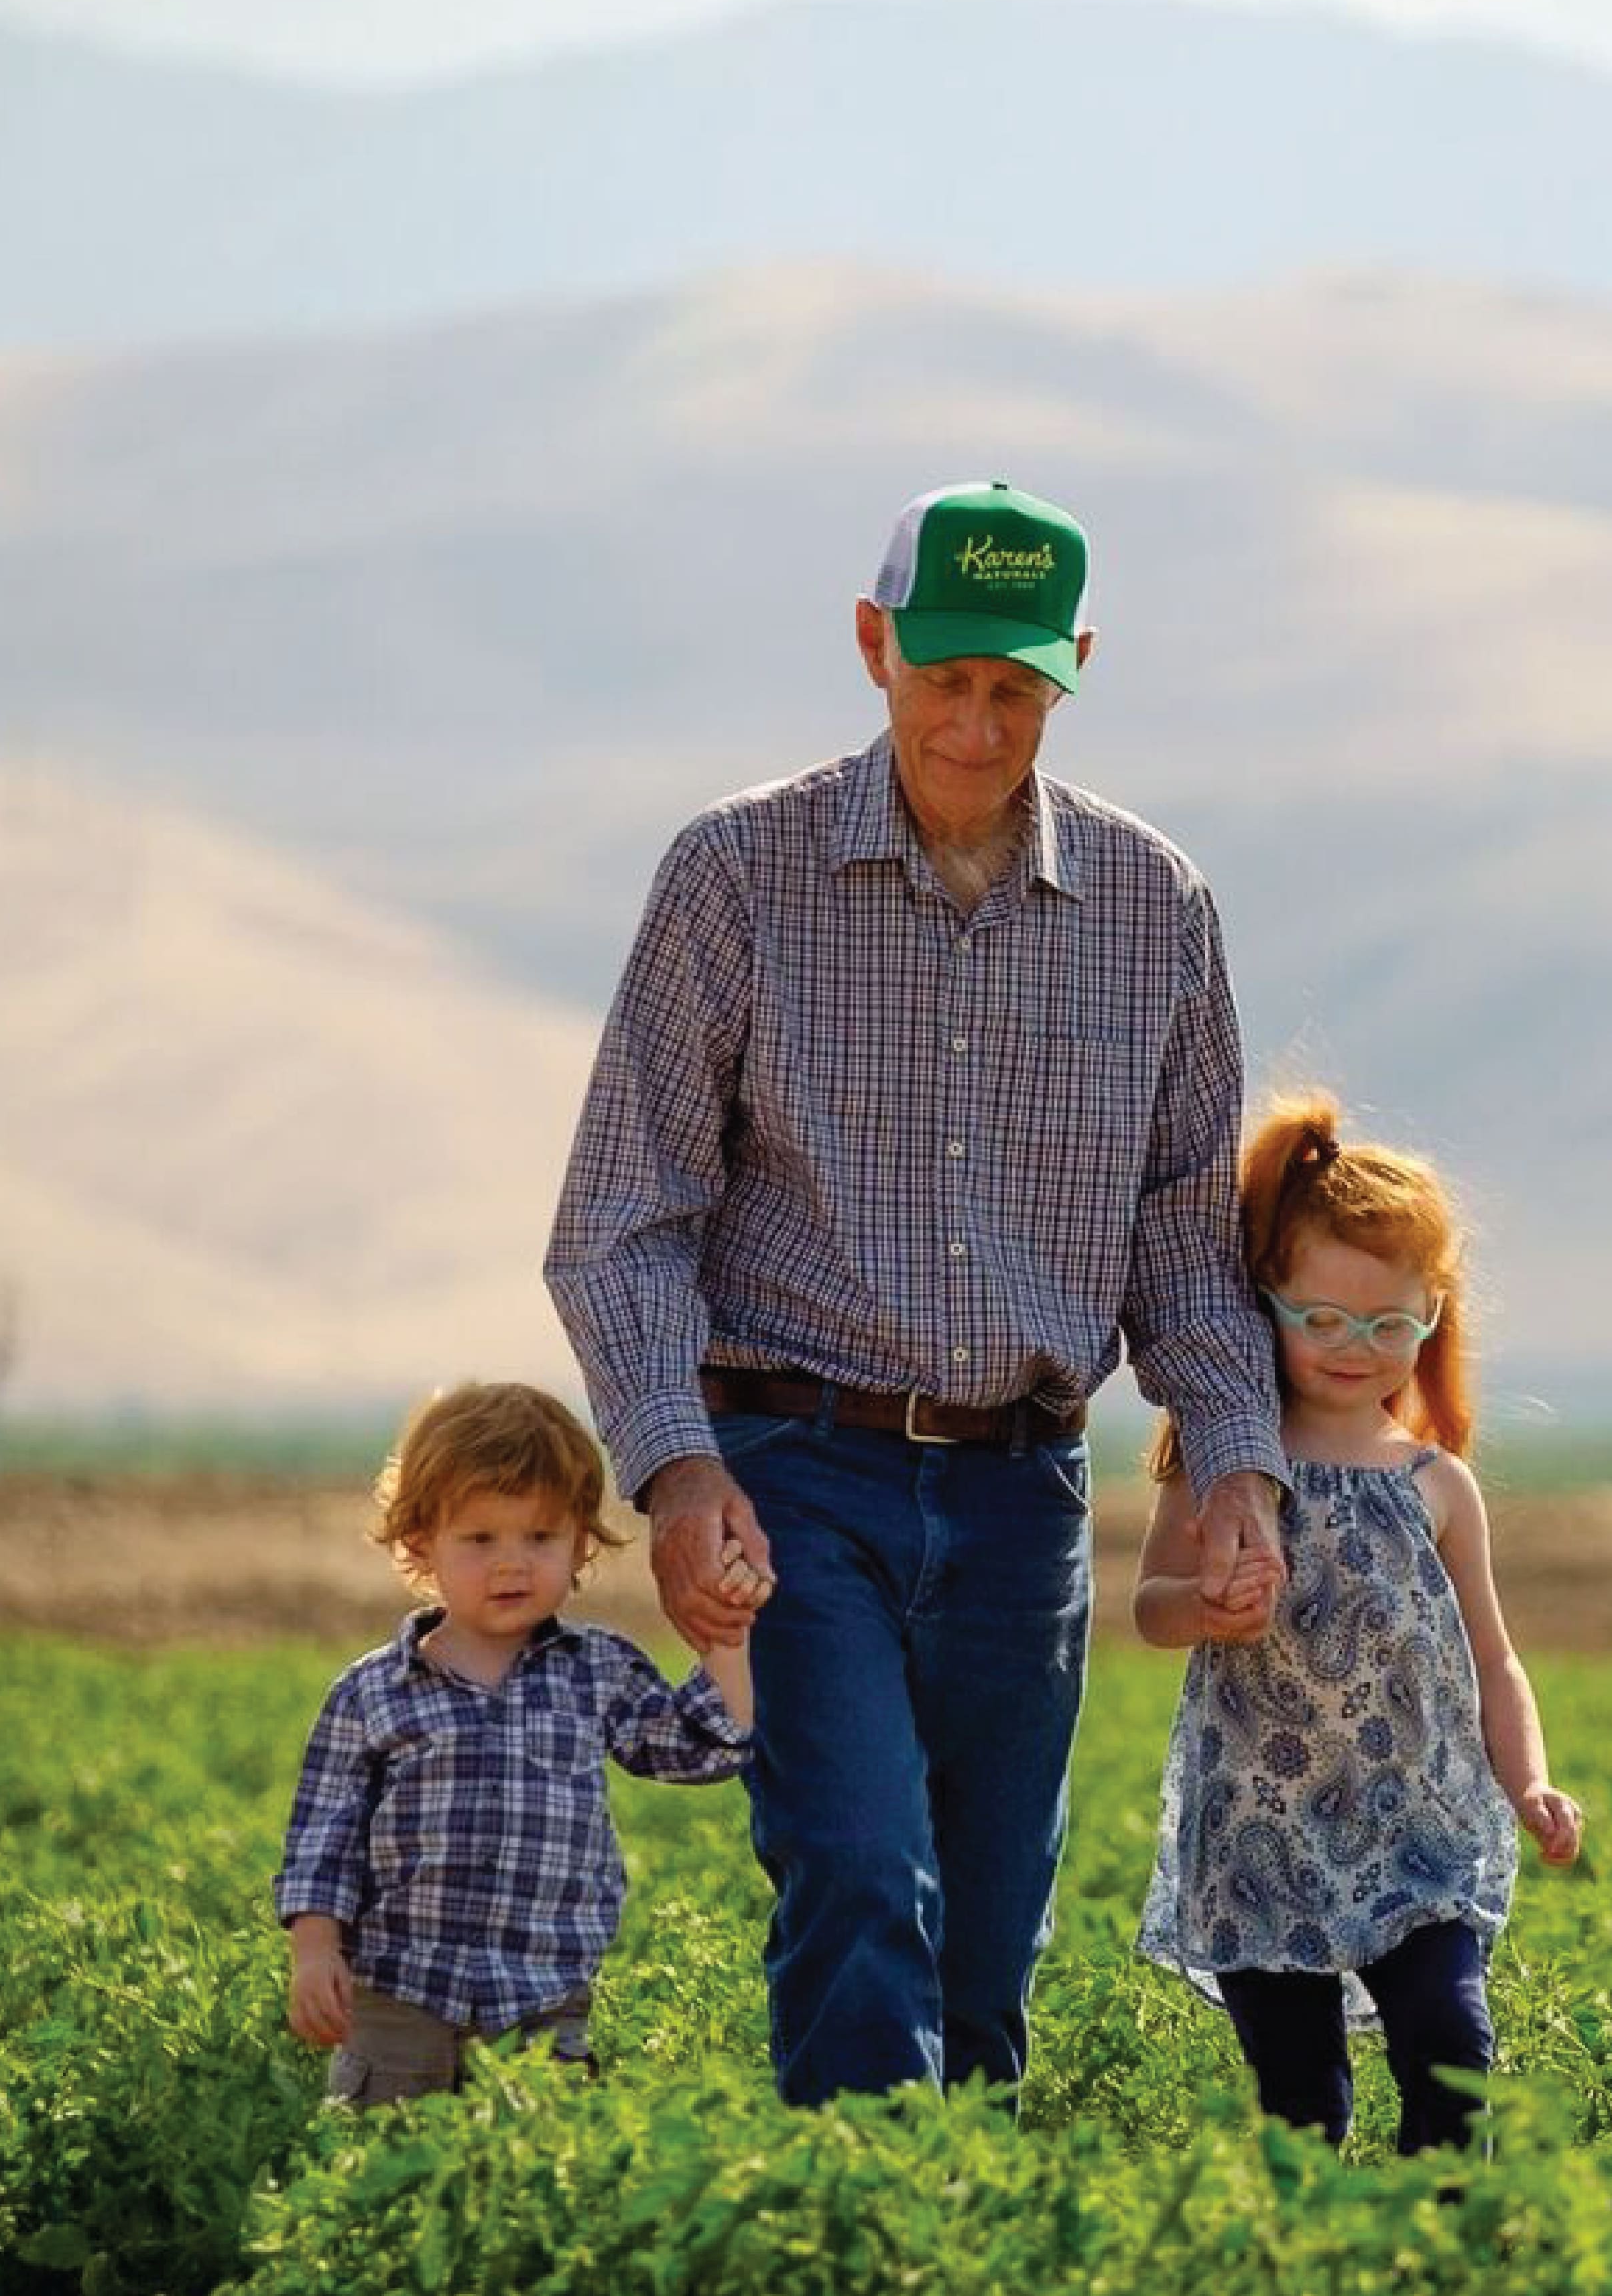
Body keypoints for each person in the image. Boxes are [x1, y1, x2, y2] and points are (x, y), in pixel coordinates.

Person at [544, 481, 1292, 2109]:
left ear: (1075, 666)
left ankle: (954, 2285)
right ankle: (860, 2254)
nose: (975, 722)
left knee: (987, 1948)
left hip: (1023, 1493)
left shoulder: (1156, 910)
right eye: (944, 677)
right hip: (792, 1474)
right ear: (873, 645)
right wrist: (680, 1476)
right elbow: (620, 1219)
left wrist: (1238, 1463)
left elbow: (1184, 1247)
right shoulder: (734, 878)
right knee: (864, 1877)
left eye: (1016, 688)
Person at [1133, 1094, 1583, 2155]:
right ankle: (1316, 2277)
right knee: (1302, 2103)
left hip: (1418, 1833)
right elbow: (1149, 1604)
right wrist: (1202, 1606)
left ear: (1431, 1319)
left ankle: (1438, 2249)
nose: (1354, 1348)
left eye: (1390, 1325)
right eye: (1321, 1319)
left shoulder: (1437, 1484)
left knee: (1451, 2044)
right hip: (1260, 1837)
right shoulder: (1223, 1460)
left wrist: (1527, 1782)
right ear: (1265, 1300)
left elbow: (1493, 1657)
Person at [273, 1380, 752, 2104]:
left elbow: (697, 1749)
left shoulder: (598, 1671)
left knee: (536, 2172)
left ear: (580, 1545)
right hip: (399, 1994)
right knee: (385, 2165)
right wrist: (314, 1953)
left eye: (540, 1537)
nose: (512, 1563)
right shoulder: (371, 1691)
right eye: (480, 1538)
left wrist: (728, 1636)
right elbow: (321, 1839)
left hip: (542, 2000)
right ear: (420, 1543)